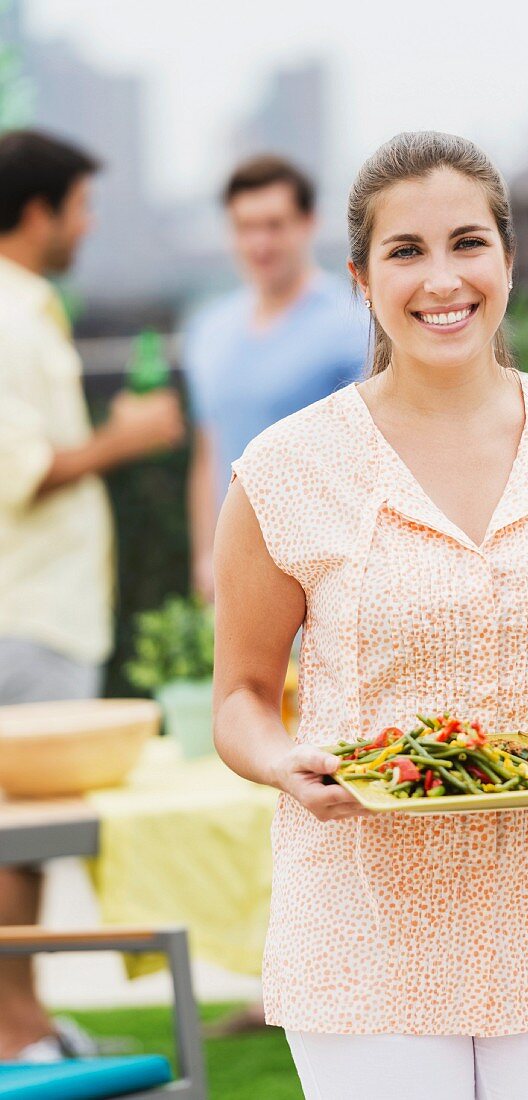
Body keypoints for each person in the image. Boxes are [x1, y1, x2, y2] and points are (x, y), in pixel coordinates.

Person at [211, 130, 528, 1100]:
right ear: (362, 277)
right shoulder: (284, 471)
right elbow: (240, 692)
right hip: (369, 934)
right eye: (406, 251)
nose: (441, 278)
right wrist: (281, 758)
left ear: (508, 258)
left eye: (467, 242)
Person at [0, 129, 184, 1061]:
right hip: (24, 614)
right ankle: (13, 1032)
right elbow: (20, 472)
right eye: (80, 204)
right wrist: (133, 435)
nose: (90, 221)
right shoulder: (8, 314)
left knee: (22, 837)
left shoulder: (29, 310)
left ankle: (20, 1019)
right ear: (38, 212)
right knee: (18, 835)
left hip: (37, 611)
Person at [183, 154, 369, 602]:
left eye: (273, 224)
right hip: (236, 577)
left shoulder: (356, 322)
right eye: (245, 227)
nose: (259, 242)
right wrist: (205, 558)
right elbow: (210, 450)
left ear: (308, 222)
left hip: (328, 578)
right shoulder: (208, 329)